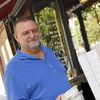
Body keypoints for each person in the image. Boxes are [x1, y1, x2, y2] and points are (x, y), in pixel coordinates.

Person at [4, 17, 71, 100]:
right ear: (16, 38)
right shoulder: (13, 69)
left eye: (34, 30)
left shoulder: (48, 51)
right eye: (26, 33)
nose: (32, 35)